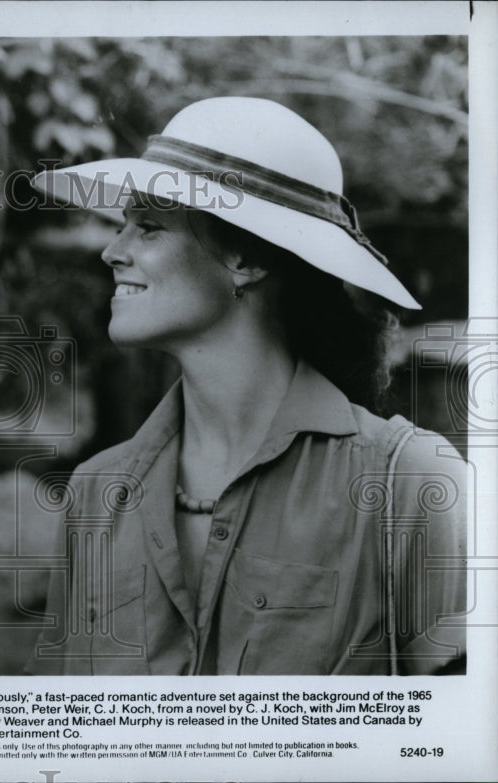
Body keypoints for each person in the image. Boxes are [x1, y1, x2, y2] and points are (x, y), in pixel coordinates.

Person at [26, 97, 466, 676]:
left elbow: (457, 744)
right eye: (121, 227)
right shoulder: (94, 496)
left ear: (245, 257)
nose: (113, 251)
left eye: (149, 227)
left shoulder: (409, 484)